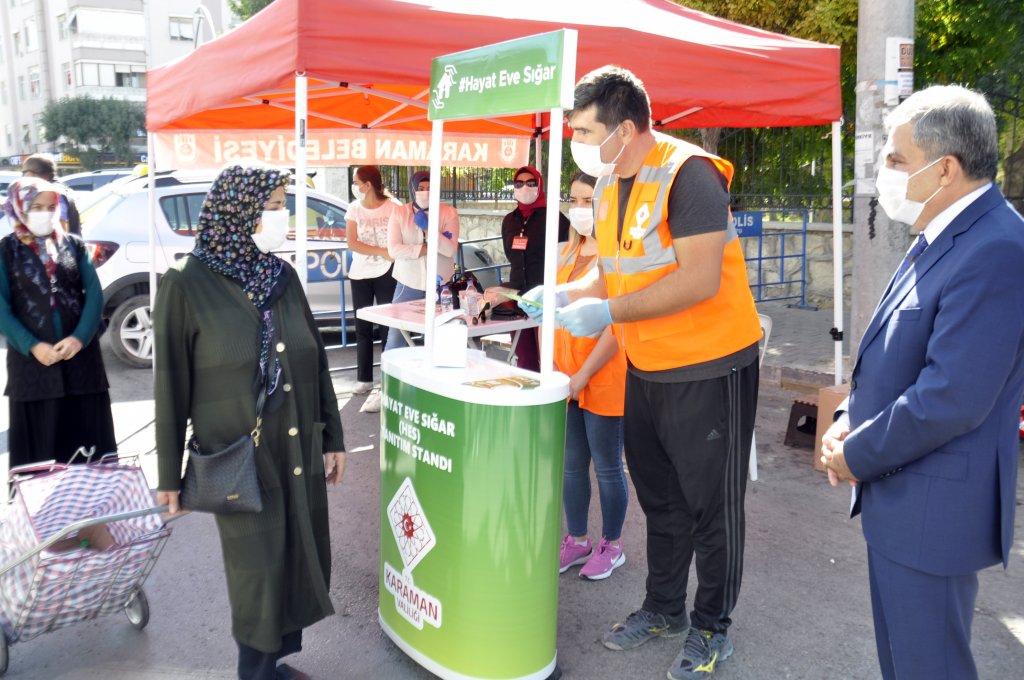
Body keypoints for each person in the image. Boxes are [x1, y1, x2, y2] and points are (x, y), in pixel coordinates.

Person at [520, 66, 761, 679]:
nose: (575, 140)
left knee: (713, 507)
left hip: (710, 366)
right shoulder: (607, 185)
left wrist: (606, 311)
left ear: (624, 129)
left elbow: (699, 278)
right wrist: (566, 293)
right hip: (647, 366)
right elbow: (615, 274)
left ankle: (711, 628)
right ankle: (662, 608)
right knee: (661, 501)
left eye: (583, 130)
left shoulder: (690, 174)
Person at [820, 85, 1024, 680]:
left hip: (934, 510)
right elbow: (889, 355)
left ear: (947, 169)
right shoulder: (941, 230)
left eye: (896, 159)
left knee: (927, 666)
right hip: (904, 497)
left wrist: (855, 452)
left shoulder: (997, 248)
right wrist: (846, 419)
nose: (884, 172)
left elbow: (952, 396)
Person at [153, 161, 346, 680]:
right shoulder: (185, 286)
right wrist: (169, 477)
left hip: (295, 445)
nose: (282, 217)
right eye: (276, 206)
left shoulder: (280, 277)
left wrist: (333, 436)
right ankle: (254, 673)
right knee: (257, 571)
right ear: (241, 211)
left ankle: (275, 663)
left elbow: (317, 361)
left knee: (297, 555)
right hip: (238, 455)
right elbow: (170, 387)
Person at [0, 177, 116, 468]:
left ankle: (92, 510)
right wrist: (32, 346)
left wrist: (80, 338)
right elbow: (1, 307)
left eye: (50, 207)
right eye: (36, 206)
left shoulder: (73, 245)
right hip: (33, 368)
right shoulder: (6, 250)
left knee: (87, 448)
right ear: (19, 208)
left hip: (82, 363)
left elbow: (94, 294)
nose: (45, 213)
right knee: (41, 456)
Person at [555, 172, 629, 581]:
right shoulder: (568, 250)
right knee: (571, 465)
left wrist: (582, 374)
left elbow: (617, 327)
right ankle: (578, 539)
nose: (580, 208)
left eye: (588, 200)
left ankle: (612, 545)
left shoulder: (617, 255)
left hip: (602, 377)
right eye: (574, 199)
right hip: (565, 378)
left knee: (606, 466)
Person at [485, 166, 569, 371]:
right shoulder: (509, 220)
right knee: (524, 360)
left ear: (539, 186)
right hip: (517, 298)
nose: (524, 187)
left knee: (549, 359)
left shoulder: (554, 219)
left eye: (531, 183)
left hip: (545, 296)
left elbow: (567, 254)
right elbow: (510, 253)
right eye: (519, 183)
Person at [383, 169, 460, 357]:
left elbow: (450, 250)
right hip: (407, 282)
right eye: (421, 188)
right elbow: (394, 250)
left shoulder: (448, 213)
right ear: (412, 189)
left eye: (430, 188)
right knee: (396, 335)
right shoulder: (399, 212)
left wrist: (429, 229)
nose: (425, 192)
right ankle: (389, 380)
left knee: (437, 337)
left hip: (441, 286)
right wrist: (426, 248)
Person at [345, 166, 398, 408]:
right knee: (363, 327)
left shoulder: (394, 207)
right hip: (360, 273)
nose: (355, 187)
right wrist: (381, 252)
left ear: (368, 184)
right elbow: (352, 243)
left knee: (388, 328)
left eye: (357, 182)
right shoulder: (354, 208)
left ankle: (387, 379)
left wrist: (390, 255)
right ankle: (364, 379)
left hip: (388, 272)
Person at [22, 154, 81, 236]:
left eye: (23, 173)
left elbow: (62, 229)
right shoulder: (59, 189)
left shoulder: (52, 193)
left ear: (29, 174)